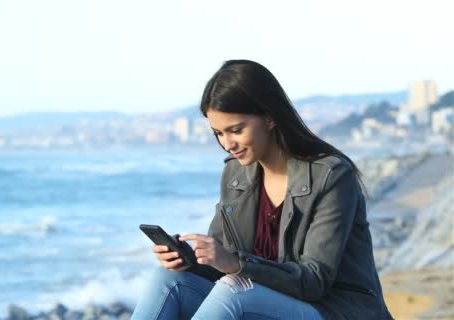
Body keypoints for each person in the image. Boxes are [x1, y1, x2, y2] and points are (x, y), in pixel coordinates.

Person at [131, 60, 393, 320]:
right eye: (218, 133)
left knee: (234, 292)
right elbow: (222, 264)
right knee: (168, 279)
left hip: (334, 311)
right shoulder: (236, 175)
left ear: (269, 117)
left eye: (236, 130)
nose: (227, 144)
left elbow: (314, 281)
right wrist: (191, 259)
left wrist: (236, 264)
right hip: (265, 307)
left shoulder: (331, 177)